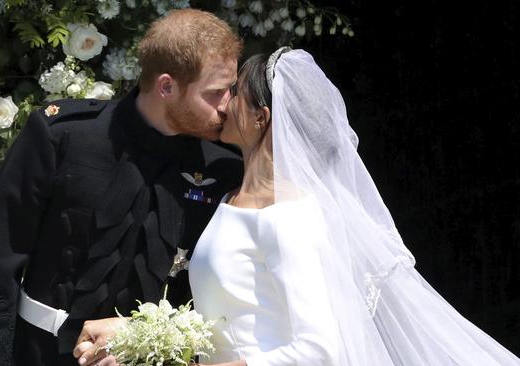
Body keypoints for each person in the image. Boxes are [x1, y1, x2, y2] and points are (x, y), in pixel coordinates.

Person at [186, 48, 520, 365]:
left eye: (236, 91)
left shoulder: (286, 216)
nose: (225, 103)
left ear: (261, 117)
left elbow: (320, 350)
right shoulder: (232, 199)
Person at [0, 9, 243, 366]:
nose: (227, 105)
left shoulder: (223, 170)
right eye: (215, 92)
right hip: (39, 354)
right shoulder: (63, 137)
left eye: (230, 89)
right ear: (167, 86)